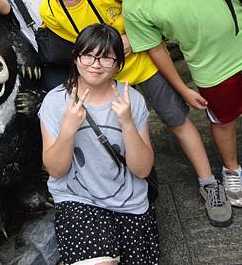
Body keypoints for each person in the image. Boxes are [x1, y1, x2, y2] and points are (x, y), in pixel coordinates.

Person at [34, 0, 232, 227]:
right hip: (103, 79)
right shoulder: (49, 11)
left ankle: (208, 182)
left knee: (176, 120)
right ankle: (125, 186)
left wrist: (132, 37)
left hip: (143, 64)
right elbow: (82, 49)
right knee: (112, 131)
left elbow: (147, 4)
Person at [99, 0, 242, 208]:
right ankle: (231, 170)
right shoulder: (134, 6)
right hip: (210, 64)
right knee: (224, 119)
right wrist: (182, 88)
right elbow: (156, 49)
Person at [40, 23, 159, 265]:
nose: (95, 64)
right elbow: (55, 169)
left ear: (117, 65)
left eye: (106, 58)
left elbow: (143, 169)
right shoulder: (55, 102)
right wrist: (68, 129)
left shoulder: (131, 100)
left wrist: (126, 123)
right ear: (75, 58)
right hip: (78, 199)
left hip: (129, 201)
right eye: (88, 55)